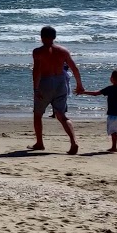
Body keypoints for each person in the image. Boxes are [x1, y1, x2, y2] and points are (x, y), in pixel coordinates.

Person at [31, 25, 84, 153]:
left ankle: (39, 143)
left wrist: (36, 89)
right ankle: (73, 141)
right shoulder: (63, 51)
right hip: (61, 82)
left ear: (42, 37)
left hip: (45, 82)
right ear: (54, 37)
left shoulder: (38, 52)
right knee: (61, 115)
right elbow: (74, 68)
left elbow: (37, 71)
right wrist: (79, 84)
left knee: (38, 115)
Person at [88, 68, 117, 154]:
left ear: (113, 79)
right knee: (115, 130)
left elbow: (96, 93)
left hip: (112, 113)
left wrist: (83, 92)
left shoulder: (110, 89)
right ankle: (114, 147)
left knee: (112, 131)